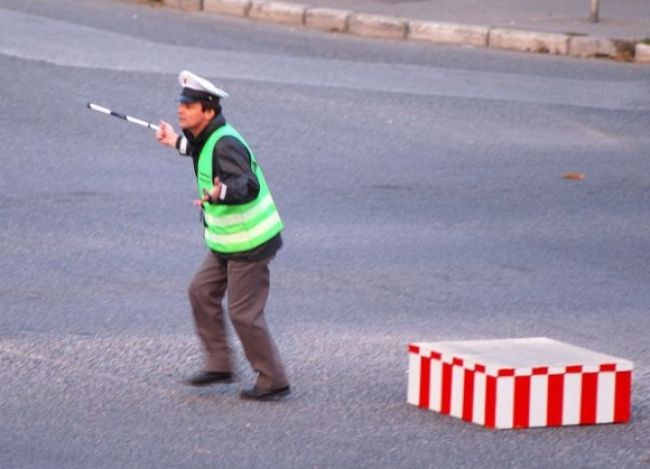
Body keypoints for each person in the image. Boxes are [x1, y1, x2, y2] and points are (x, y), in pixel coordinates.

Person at [156, 70, 290, 401]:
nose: (181, 109)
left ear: (209, 111)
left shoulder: (226, 144)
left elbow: (248, 184)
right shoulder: (207, 137)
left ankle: (273, 379)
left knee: (244, 313)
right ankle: (219, 364)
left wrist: (220, 192)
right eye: (181, 104)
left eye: (189, 105)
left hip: (251, 242)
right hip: (227, 241)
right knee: (201, 292)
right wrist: (173, 140)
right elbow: (196, 149)